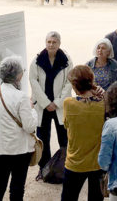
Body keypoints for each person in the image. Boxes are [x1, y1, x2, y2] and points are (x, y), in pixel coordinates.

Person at [0, 56, 38, 201]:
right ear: (18, 75)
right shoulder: (22, 97)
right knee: (17, 188)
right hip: (19, 150)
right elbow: (29, 126)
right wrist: (33, 110)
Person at [29, 31, 73, 178]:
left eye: (54, 42)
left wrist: (57, 102)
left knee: (64, 137)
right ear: (45, 42)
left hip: (59, 106)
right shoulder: (36, 60)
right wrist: (46, 103)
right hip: (43, 106)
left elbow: (69, 82)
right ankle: (44, 169)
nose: (51, 44)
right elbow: (33, 82)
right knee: (43, 139)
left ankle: (65, 168)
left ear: (59, 44)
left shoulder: (66, 60)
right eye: (49, 42)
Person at [61, 65, 106, 201]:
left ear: (75, 86)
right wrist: (100, 93)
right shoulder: (104, 103)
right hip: (97, 162)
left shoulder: (68, 103)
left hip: (75, 162)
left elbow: (66, 125)